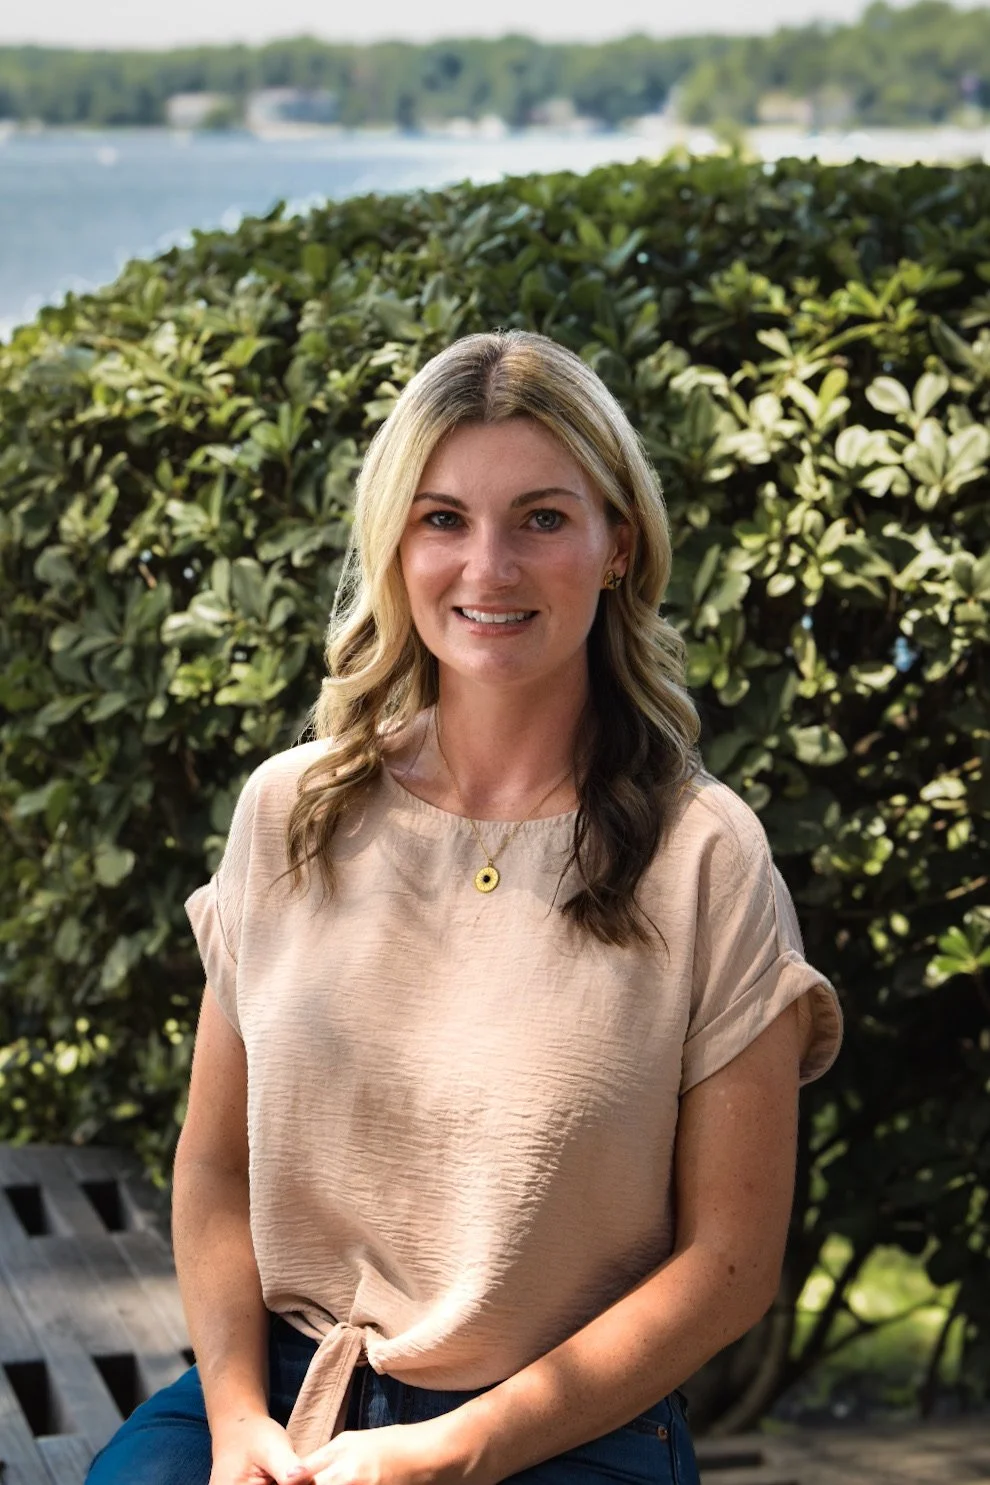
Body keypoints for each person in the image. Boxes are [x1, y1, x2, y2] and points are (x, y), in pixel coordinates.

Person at [85, 328, 842, 1485]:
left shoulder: (706, 858)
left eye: (542, 518)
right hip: (281, 1390)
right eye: (443, 519)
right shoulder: (290, 813)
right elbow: (212, 1169)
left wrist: (462, 1447)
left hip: (566, 1429)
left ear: (616, 546)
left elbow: (730, 1265)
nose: (487, 569)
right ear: (395, 545)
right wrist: (236, 1421)